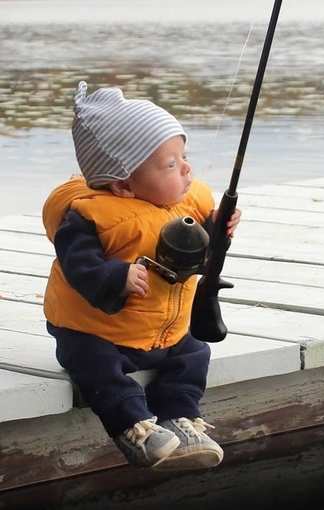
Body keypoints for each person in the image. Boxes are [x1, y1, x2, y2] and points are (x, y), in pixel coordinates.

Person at [42, 81, 241, 471]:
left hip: (162, 331)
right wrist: (117, 277)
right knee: (94, 365)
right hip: (97, 331)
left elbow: (201, 259)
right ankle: (134, 429)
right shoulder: (87, 217)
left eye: (184, 156)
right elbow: (78, 266)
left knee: (194, 353)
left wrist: (218, 230)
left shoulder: (185, 201)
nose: (186, 169)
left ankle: (181, 419)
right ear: (123, 184)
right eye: (170, 164)